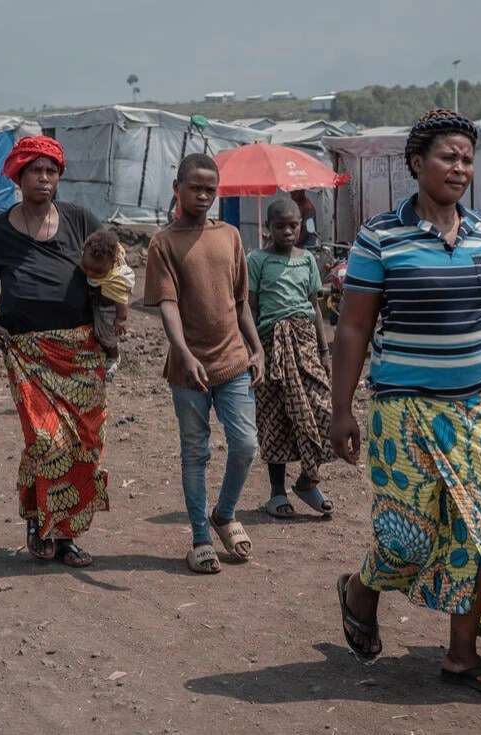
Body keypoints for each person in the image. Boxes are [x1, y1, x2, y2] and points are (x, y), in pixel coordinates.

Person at [330, 110, 481, 698]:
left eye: (468, 159)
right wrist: (341, 410)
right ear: (417, 163)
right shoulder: (380, 237)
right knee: (408, 537)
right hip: (404, 412)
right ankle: (360, 591)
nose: (460, 168)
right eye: (449, 156)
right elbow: (353, 329)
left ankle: (462, 656)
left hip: (480, 409)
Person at [0, 135, 108, 568]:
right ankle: (40, 522)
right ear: (18, 175)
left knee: (84, 445)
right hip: (27, 354)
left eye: (51, 171)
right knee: (47, 442)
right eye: (35, 170)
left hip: (82, 352)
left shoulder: (80, 220)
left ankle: (65, 536)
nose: (44, 178)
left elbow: (114, 265)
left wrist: (116, 312)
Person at [144, 153, 265, 575]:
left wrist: (257, 347)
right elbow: (167, 304)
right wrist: (182, 352)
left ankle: (224, 514)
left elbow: (240, 301)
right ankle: (200, 538)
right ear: (176, 188)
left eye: (210, 189)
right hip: (187, 369)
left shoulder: (229, 235)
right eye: (195, 187)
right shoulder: (163, 243)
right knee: (195, 453)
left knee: (245, 445)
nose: (203, 195)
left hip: (233, 361)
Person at [248, 198, 336, 518]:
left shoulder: (308, 259)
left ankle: (307, 482)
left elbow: (314, 307)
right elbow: (250, 308)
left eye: (293, 225)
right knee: (275, 418)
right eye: (280, 226)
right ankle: (276, 494)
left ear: (301, 226)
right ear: (267, 228)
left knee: (323, 411)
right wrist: (254, 350)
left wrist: (324, 350)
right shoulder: (257, 260)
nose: (287, 231)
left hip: (305, 344)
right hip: (271, 346)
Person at [79, 229, 134, 380]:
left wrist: (120, 319)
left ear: (113, 263)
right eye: (86, 267)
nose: (90, 273)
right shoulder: (92, 257)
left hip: (109, 309)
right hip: (96, 301)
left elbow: (121, 301)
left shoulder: (116, 279)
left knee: (108, 337)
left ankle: (113, 356)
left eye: (97, 272)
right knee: (94, 331)